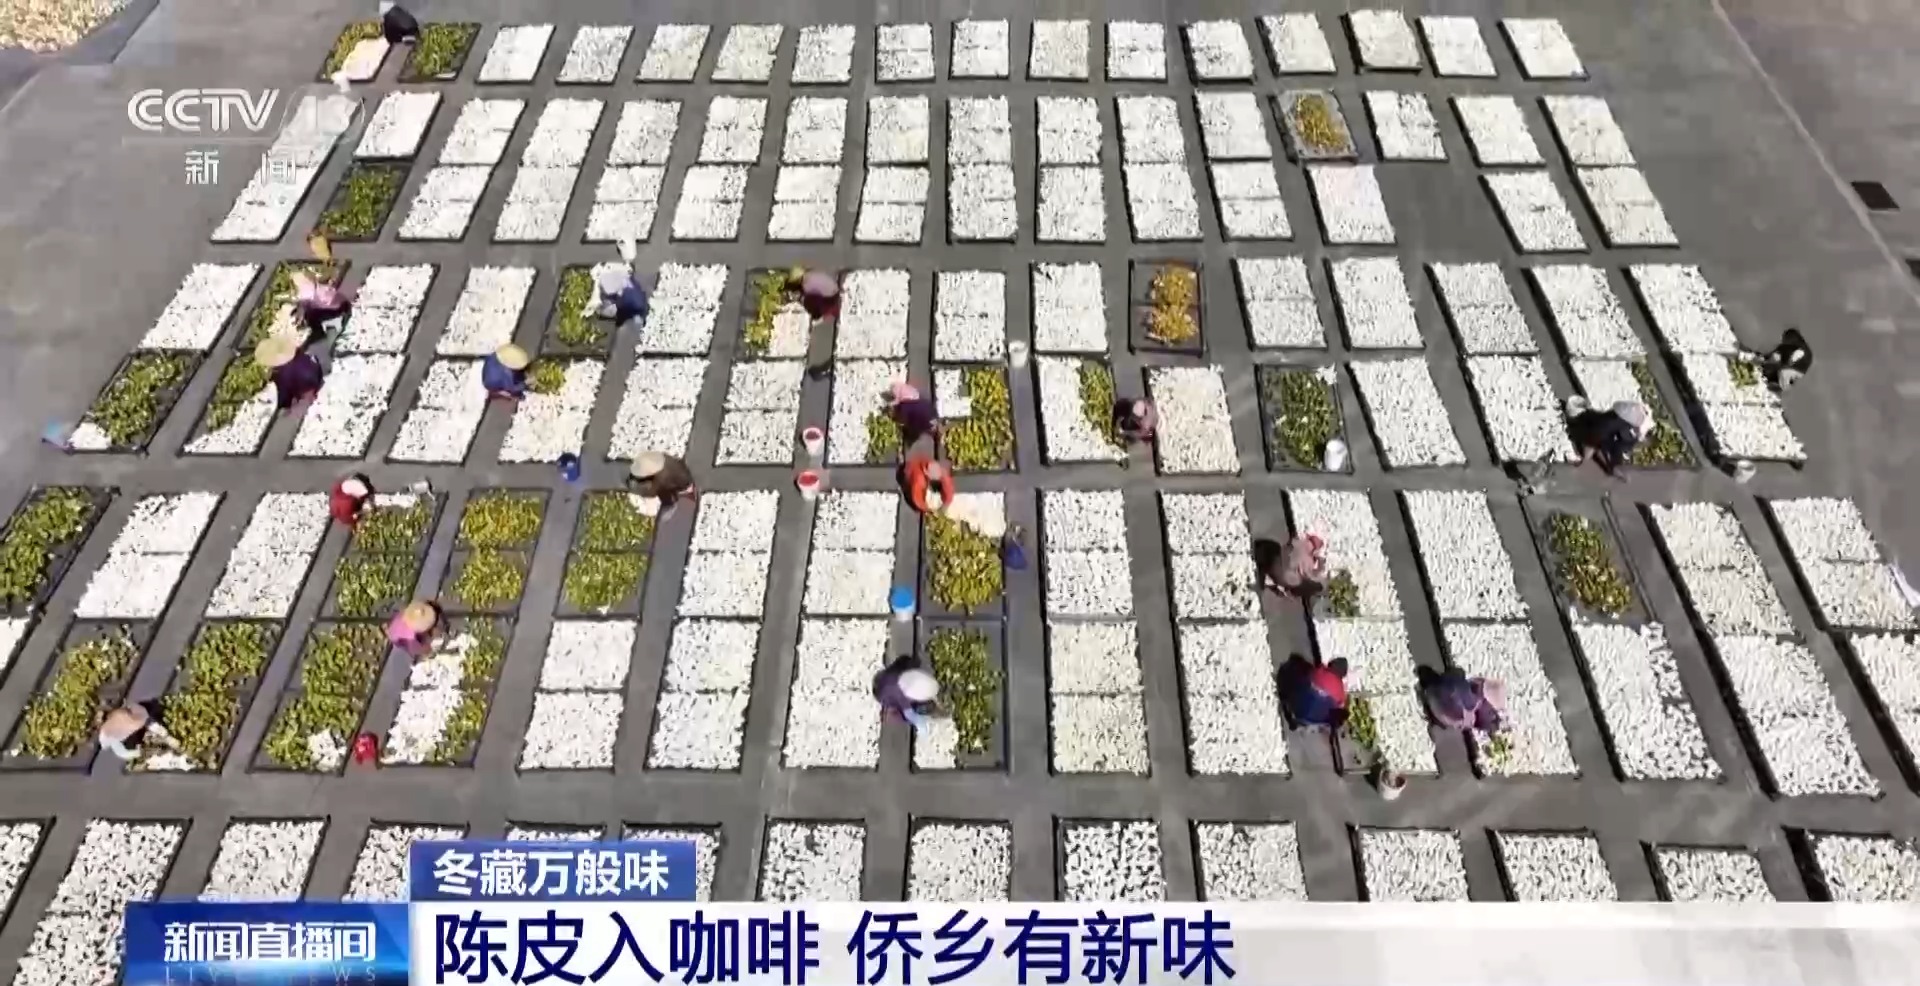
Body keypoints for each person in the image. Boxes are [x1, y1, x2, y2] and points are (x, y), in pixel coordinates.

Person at [1517, 400, 1652, 495]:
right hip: (1590, 430)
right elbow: (1598, 438)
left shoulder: (1628, 430)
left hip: (1598, 431)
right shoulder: (1612, 423)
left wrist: (1616, 466)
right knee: (1581, 457)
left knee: (1592, 456)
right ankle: (1538, 479)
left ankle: (1538, 481)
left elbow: (1617, 448)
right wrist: (1588, 457)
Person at [1423, 668, 1507, 734]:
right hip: (1440, 702)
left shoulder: (1470, 708)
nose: (1494, 715)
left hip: (1437, 699)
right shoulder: (1470, 707)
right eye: (1492, 712)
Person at [98, 699, 183, 762]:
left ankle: (157, 744)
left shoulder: (129, 711)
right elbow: (123, 753)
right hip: (130, 744)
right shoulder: (109, 735)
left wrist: (167, 737)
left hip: (139, 727)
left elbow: (148, 721)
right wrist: (143, 751)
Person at [872, 655, 939, 733]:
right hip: (884, 692)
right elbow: (909, 714)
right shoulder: (903, 697)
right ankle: (888, 713)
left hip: (884, 680)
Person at [256, 336, 324, 411]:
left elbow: (283, 399)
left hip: (307, 388)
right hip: (315, 375)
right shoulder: (300, 355)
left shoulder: (282, 374)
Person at [292, 269, 354, 346]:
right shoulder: (313, 285)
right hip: (342, 302)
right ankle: (318, 330)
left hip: (337, 308)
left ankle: (318, 333)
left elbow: (303, 307)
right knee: (310, 309)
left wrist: (299, 317)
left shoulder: (306, 292)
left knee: (310, 315)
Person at [1283, 658, 1349, 729]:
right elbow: (1339, 707)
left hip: (1299, 701)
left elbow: (1311, 674)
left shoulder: (1321, 670)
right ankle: (1300, 721)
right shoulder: (1341, 692)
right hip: (1314, 718)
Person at [628, 451, 698, 514]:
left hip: (682, 484)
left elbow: (652, 493)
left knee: (662, 492)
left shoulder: (661, 477)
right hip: (677, 470)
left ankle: (671, 505)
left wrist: (637, 489)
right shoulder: (662, 458)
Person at [1263, 533, 1329, 598]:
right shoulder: (1309, 561)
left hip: (1273, 564)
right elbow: (1311, 575)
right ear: (1314, 550)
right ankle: (1288, 591)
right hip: (1284, 578)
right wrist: (1320, 567)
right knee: (1301, 581)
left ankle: (1269, 573)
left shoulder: (1296, 541)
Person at [887, 381, 941, 448]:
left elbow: (904, 422)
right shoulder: (907, 403)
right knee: (923, 422)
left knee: (914, 428)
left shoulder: (903, 409)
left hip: (927, 418)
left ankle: (912, 439)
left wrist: (896, 420)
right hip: (930, 411)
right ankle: (934, 429)